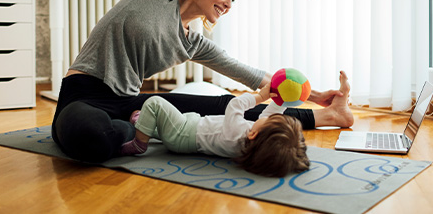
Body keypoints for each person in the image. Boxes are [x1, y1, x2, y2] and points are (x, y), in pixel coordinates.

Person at [51, 0, 354, 163]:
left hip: (130, 102)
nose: (228, 4)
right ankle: (130, 131)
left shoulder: (191, 43)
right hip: (83, 95)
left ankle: (330, 117)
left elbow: (254, 77)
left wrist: (314, 96)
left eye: (233, 0)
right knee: (91, 137)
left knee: (229, 106)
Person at [119, 82, 310, 177]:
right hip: (187, 135)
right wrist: (281, 101)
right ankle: (145, 125)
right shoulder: (251, 141)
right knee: (163, 120)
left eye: (274, 119)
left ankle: (139, 143)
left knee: (154, 103)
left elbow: (235, 105)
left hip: (183, 132)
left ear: (254, 134)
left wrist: (260, 96)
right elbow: (266, 118)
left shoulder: (237, 132)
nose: (272, 116)